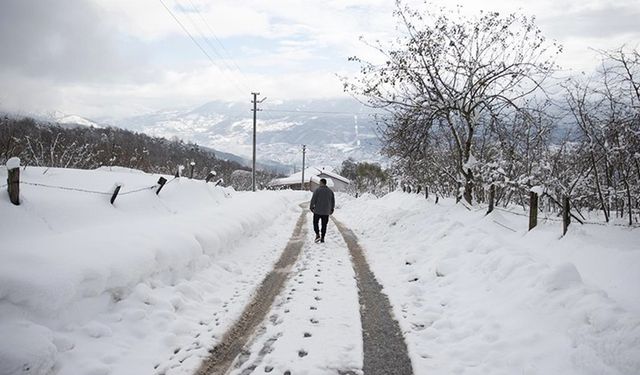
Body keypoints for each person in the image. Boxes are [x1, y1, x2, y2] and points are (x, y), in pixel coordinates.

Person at [309, 178, 335, 243]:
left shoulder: (317, 190)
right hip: (326, 212)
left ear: (321, 183)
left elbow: (313, 199)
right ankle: (323, 237)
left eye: (319, 183)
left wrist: (311, 207)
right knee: (324, 225)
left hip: (317, 211)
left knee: (315, 223)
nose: (319, 184)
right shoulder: (330, 191)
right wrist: (332, 209)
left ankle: (317, 234)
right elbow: (333, 201)